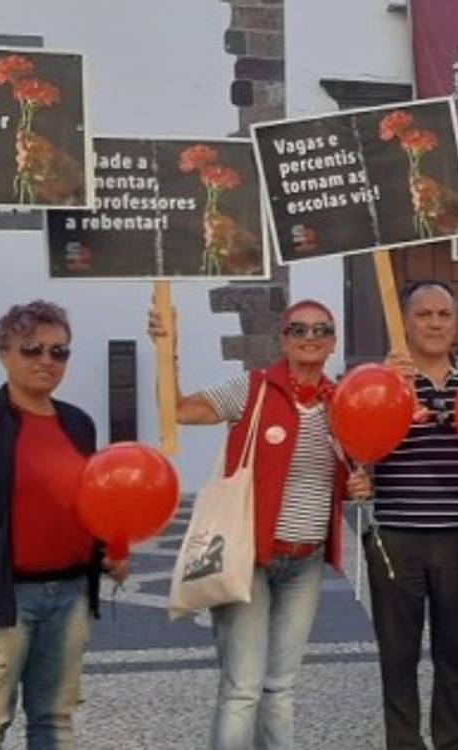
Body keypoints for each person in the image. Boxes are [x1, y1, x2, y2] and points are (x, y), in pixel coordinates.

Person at [150, 297, 363, 750]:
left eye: (321, 330)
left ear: (333, 342)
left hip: (305, 562)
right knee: (242, 688)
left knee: (280, 687)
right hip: (250, 557)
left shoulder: (338, 403)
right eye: (299, 329)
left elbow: (344, 475)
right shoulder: (254, 389)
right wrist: (166, 352)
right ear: (283, 339)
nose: (310, 337)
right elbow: (181, 411)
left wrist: (359, 484)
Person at [0, 300, 127, 748]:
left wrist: (106, 550)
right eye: (32, 349)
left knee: (54, 721)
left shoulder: (77, 423)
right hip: (0, 597)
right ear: (3, 352)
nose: (46, 361)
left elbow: (87, 501)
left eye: (60, 352)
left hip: (70, 593)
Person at [366, 281, 458, 750]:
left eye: (444, 314)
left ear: (456, 321)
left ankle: (450, 743)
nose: (435, 323)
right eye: (423, 315)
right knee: (397, 658)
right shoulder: (384, 379)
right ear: (405, 321)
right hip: (396, 535)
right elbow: (358, 448)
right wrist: (382, 388)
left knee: (454, 658)